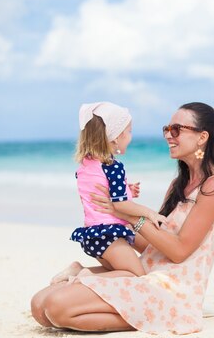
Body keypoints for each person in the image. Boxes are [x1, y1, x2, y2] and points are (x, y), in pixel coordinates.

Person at [30, 102, 214, 334]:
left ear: (202, 137)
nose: (168, 136)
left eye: (176, 130)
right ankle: (136, 309)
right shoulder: (178, 185)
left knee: (57, 307)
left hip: (172, 290)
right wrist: (110, 222)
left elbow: (179, 250)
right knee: (39, 305)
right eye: (166, 129)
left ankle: (172, 315)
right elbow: (154, 247)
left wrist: (126, 215)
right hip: (146, 275)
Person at [57, 102, 166, 282]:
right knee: (137, 276)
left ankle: (79, 270)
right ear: (116, 137)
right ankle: (84, 275)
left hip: (93, 235)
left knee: (119, 271)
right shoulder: (113, 166)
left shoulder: (87, 164)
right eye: (129, 131)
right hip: (110, 236)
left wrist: (126, 189)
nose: (131, 136)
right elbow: (120, 204)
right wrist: (149, 213)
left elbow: (98, 190)